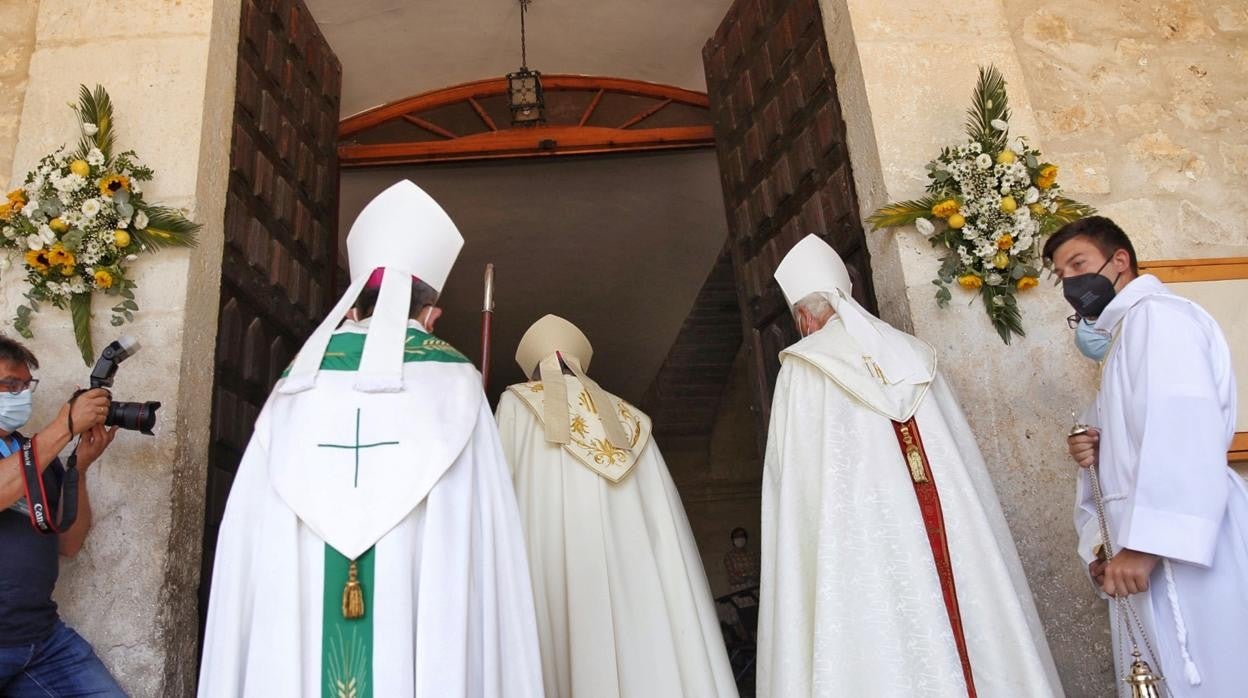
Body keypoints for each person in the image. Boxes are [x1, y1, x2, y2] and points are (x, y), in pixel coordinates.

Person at [199, 180, 543, 697]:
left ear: (352, 309)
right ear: (431, 315)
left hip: (299, 605)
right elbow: (484, 535)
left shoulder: (295, 385)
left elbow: (250, 532)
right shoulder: (454, 382)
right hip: (418, 601)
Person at [757, 234, 1061, 697]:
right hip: (948, 535)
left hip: (861, 549)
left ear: (803, 317)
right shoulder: (914, 355)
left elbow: (794, 492)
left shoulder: (804, 367)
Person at [1048, 216, 1245, 697]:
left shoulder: (1159, 318)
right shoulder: (1125, 334)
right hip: (1141, 546)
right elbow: (1130, 443)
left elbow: (1185, 428)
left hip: (1179, 549)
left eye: (1079, 264)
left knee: (1215, 674)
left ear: (1120, 260)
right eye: (1061, 275)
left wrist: (1144, 546)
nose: (1071, 282)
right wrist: (1094, 447)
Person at [495, 314, 738, 698]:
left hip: (554, 567)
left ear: (533, 374)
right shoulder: (631, 419)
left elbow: (497, 495)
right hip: (636, 572)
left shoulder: (516, 404)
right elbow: (661, 519)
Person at [0, 335, 122, 697]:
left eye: (26, 386)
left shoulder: (33, 452)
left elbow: (68, 542)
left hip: (41, 638)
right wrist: (65, 425)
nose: (22, 395)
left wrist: (78, 470)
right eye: (10, 385)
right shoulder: (38, 451)